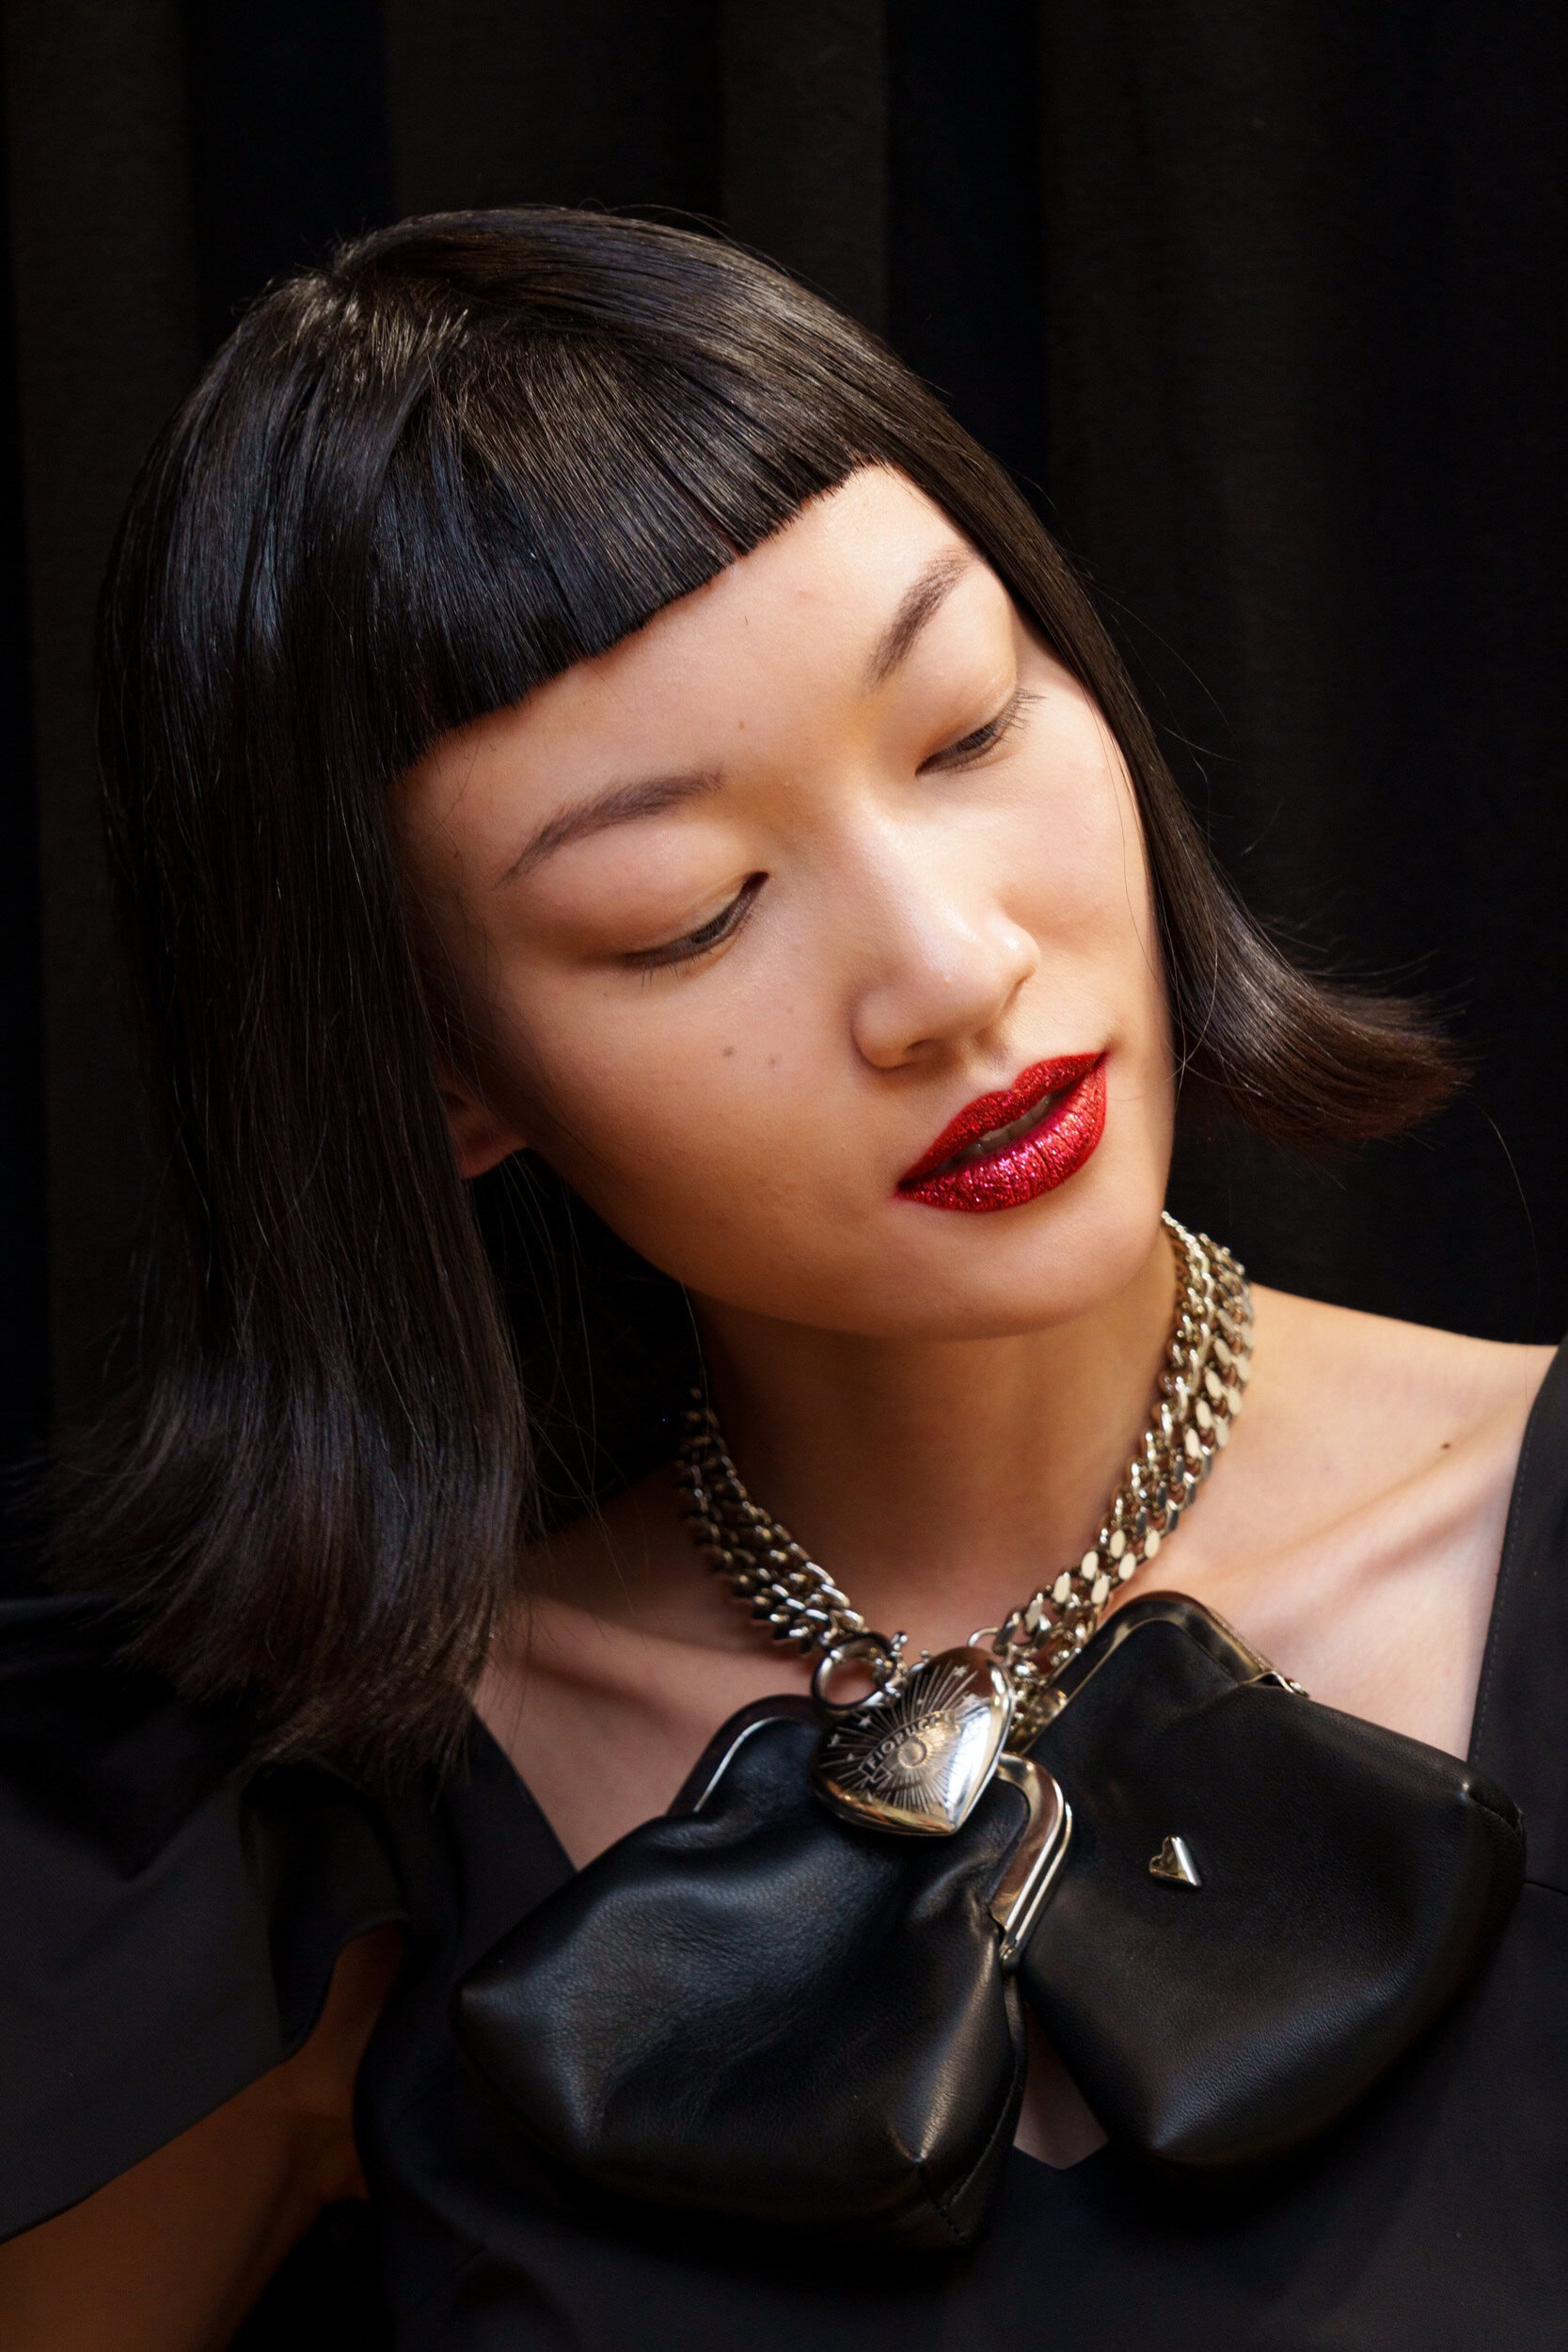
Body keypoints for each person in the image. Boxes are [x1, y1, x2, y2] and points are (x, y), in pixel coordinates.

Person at [0, 209, 1560, 2350]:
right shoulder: (302, 1859)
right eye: (688, 912)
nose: (952, 971)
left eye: (968, 729)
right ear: (441, 1073)